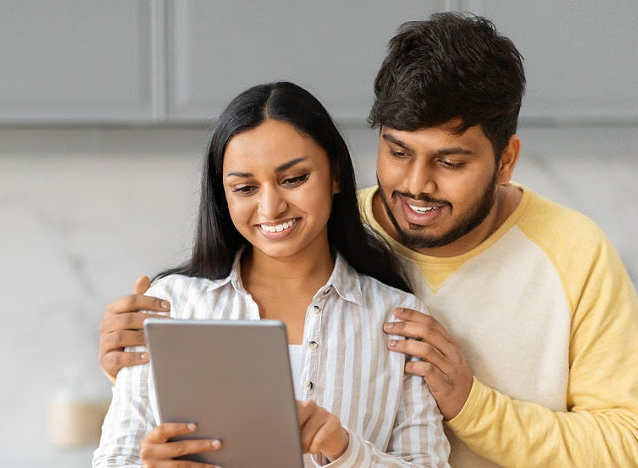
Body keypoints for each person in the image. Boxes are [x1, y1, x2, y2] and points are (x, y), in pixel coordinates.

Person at [99, 13, 638, 467]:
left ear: (506, 160)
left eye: (450, 161)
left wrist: (471, 404)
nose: (416, 185)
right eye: (397, 152)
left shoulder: (573, 253)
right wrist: (133, 362)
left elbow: (636, 452)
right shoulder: (321, 230)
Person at [93, 81, 451, 468]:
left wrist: (347, 452)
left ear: (334, 175)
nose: (271, 207)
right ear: (223, 195)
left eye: (294, 179)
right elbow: (115, 459)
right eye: (245, 188)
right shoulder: (169, 306)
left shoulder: (398, 318)